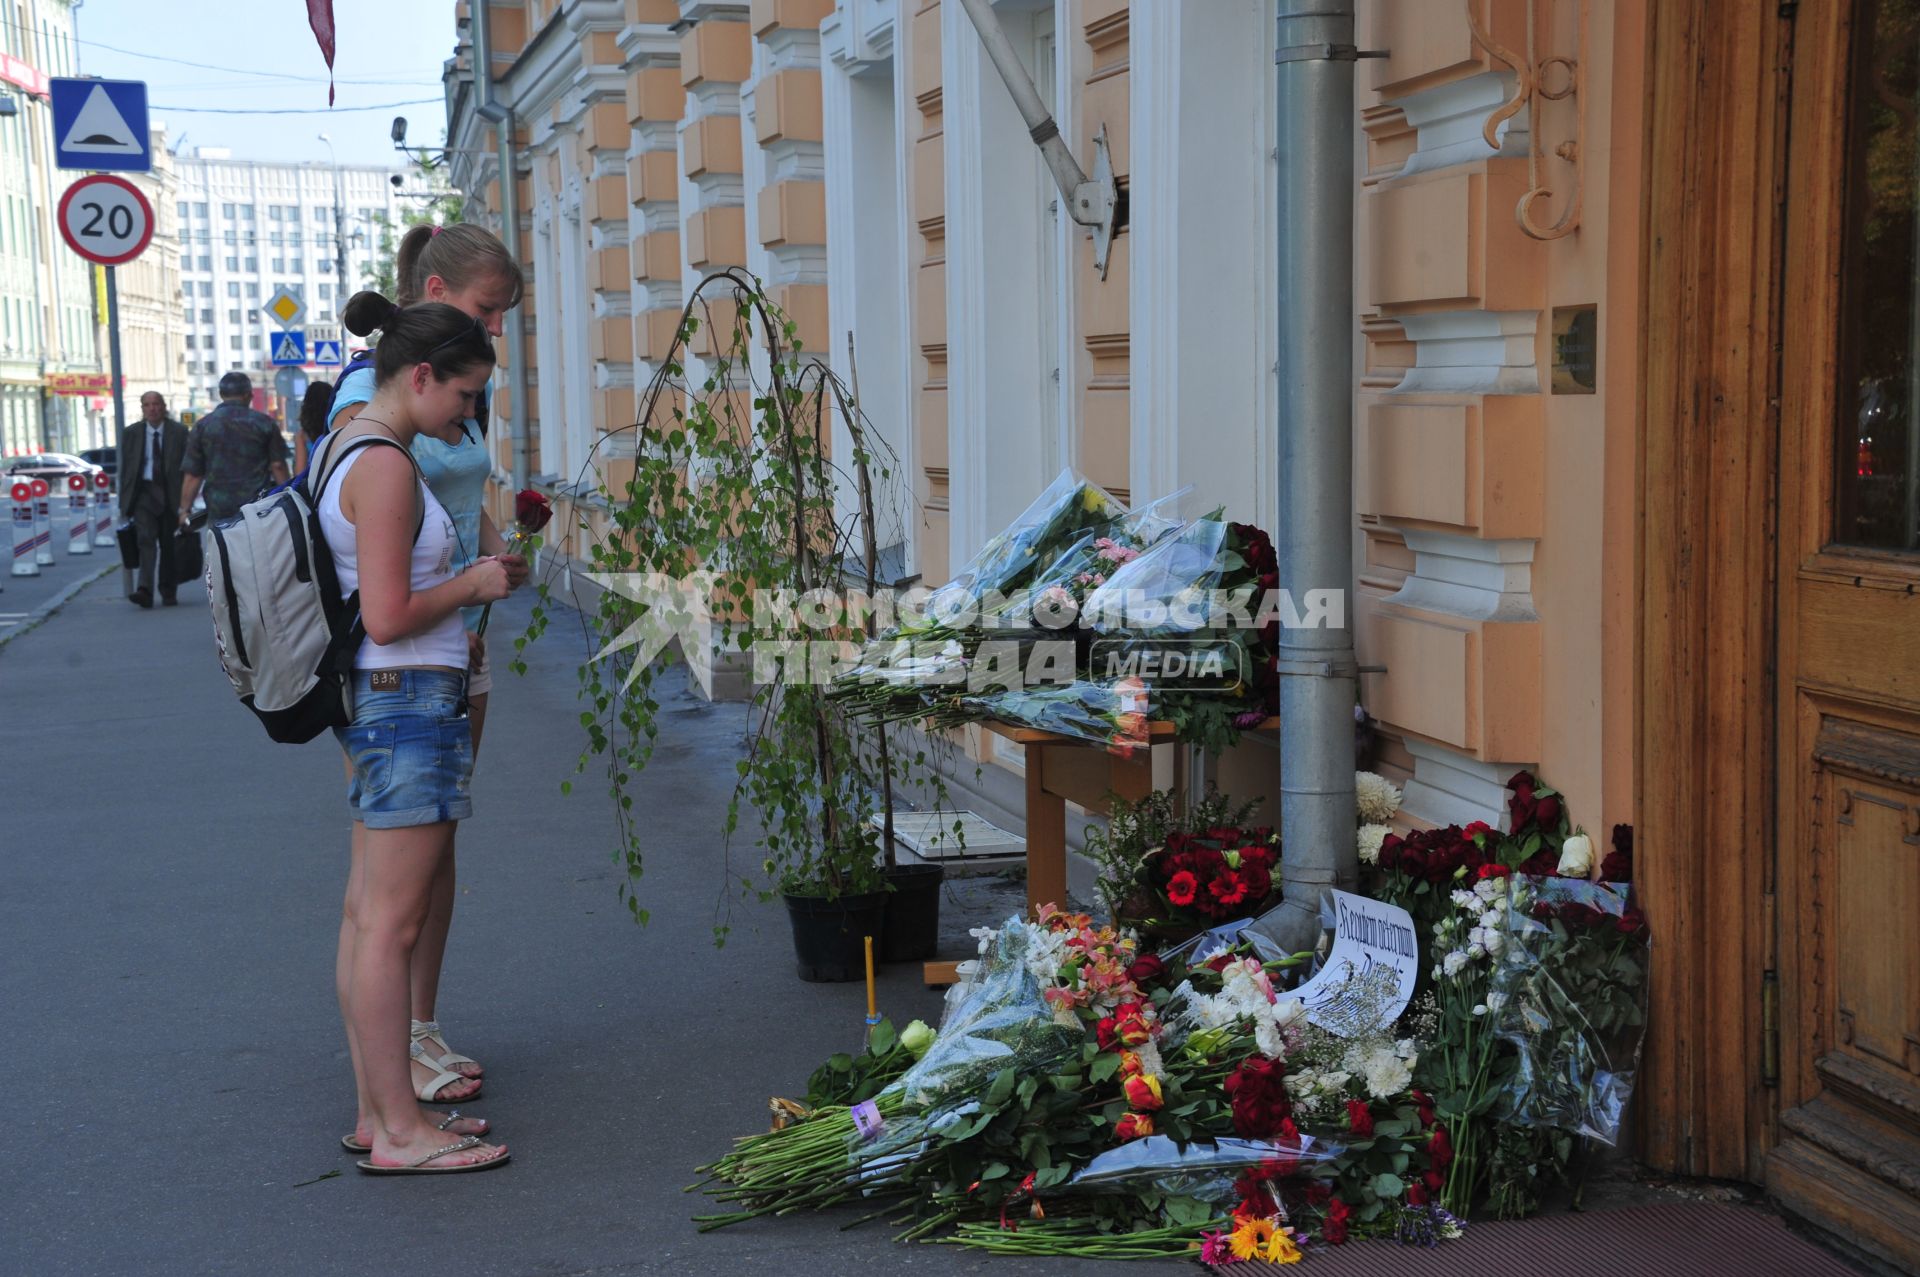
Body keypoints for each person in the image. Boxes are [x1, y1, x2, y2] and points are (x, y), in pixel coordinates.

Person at [318, 292, 520, 1173]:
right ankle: (401, 1132)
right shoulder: (391, 465)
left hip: (383, 701)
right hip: (407, 700)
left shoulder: (349, 442)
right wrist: (473, 585)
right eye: (466, 396)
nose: (468, 416)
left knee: (370, 918)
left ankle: (380, 1113)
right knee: (392, 924)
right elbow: (391, 614)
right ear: (423, 375)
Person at [177, 372, 290, 528]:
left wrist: (185, 510)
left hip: (219, 509)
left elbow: (193, 474)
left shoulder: (203, 426)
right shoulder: (264, 423)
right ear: (248, 395)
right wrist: (288, 498)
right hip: (257, 507)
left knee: (223, 549)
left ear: (221, 394)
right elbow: (278, 465)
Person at [119, 391, 189, 608]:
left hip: (171, 494)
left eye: (156, 404)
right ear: (142, 409)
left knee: (169, 545)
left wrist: (186, 501)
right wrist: (124, 503)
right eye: (147, 405)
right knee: (146, 541)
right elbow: (126, 469)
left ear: (163, 406)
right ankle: (145, 590)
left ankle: (168, 590)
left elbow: (188, 467)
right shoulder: (132, 433)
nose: (152, 408)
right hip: (144, 494)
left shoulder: (178, 431)